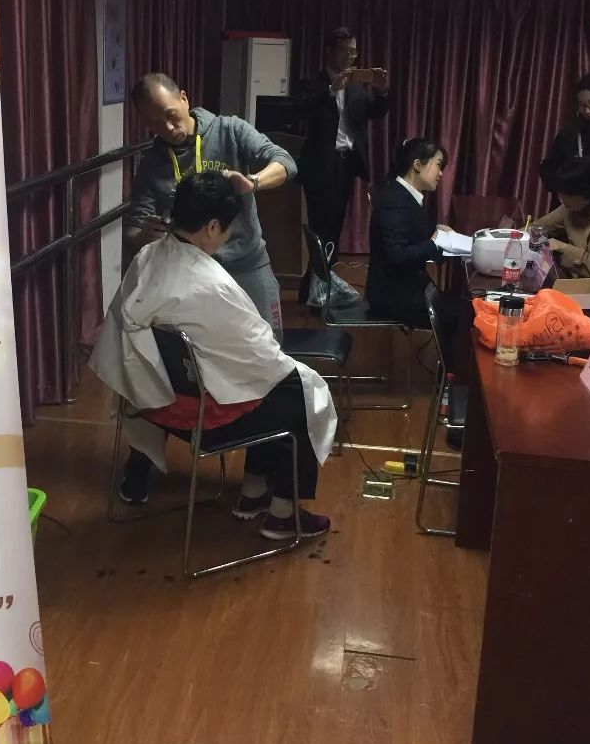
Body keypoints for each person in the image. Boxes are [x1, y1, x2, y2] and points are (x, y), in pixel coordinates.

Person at [91, 172, 337, 539]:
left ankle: (255, 490)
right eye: (226, 228)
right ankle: (283, 513)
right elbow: (263, 356)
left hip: (150, 396)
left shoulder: (147, 257)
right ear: (211, 227)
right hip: (196, 416)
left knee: (274, 385)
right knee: (298, 392)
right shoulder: (211, 285)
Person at [126, 72, 297, 337]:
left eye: (171, 115)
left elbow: (286, 162)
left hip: (246, 264)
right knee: (206, 352)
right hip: (191, 275)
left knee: (269, 343)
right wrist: (146, 234)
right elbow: (133, 232)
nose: (168, 128)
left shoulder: (229, 130)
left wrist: (253, 182)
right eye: (155, 123)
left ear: (184, 98)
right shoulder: (151, 164)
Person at [297, 26, 390, 307]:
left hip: (346, 165)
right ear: (329, 51)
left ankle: (315, 288)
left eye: (354, 52)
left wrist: (383, 93)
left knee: (334, 229)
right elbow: (302, 110)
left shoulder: (356, 87)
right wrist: (330, 90)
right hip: (320, 165)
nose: (350, 57)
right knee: (321, 228)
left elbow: (373, 113)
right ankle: (317, 290)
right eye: (345, 51)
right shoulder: (312, 82)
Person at [366, 138, 448, 327]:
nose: (441, 173)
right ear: (417, 165)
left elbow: (413, 233)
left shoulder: (405, 195)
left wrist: (437, 232)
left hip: (404, 285)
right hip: (392, 295)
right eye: (438, 165)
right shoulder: (395, 200)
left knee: (459, 308)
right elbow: (397, 255)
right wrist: (433, 243)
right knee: (463, 317)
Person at [532, 157, 590, 280]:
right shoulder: (572, 205)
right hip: (573, 284)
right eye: (560, 195)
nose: (561, 201)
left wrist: (565, 249)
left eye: (566, 196)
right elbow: (537, 228)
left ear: (587, 193)